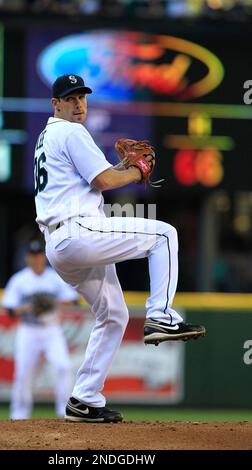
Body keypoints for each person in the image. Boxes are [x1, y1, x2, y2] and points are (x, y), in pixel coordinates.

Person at [34, 74, 206, 423]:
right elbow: (104, 182)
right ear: (56, 105)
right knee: (164, 235)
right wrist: (137, 171)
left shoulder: (47, 136)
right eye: (70, 98)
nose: (79, 103)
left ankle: (84, 398)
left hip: (60, 245)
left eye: (82, 97)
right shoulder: (70, 131)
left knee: (113, 315)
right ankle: (161, 317)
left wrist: (124, 168)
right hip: (78, 229)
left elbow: (95, 179)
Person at [1, 239, 78, 419]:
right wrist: (29, 307)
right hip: (28, 330)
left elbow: (73, 300)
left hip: (52, 329)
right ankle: (19, 415)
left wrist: (52, 302)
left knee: (63, 367)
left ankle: (65, 411)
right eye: (32, 256)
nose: (36, 259)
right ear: (27, 258)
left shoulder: (54, 277)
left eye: (38, 255)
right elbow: (10, 309)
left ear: (44, 257)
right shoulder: (19, 280)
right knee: (23, 373)